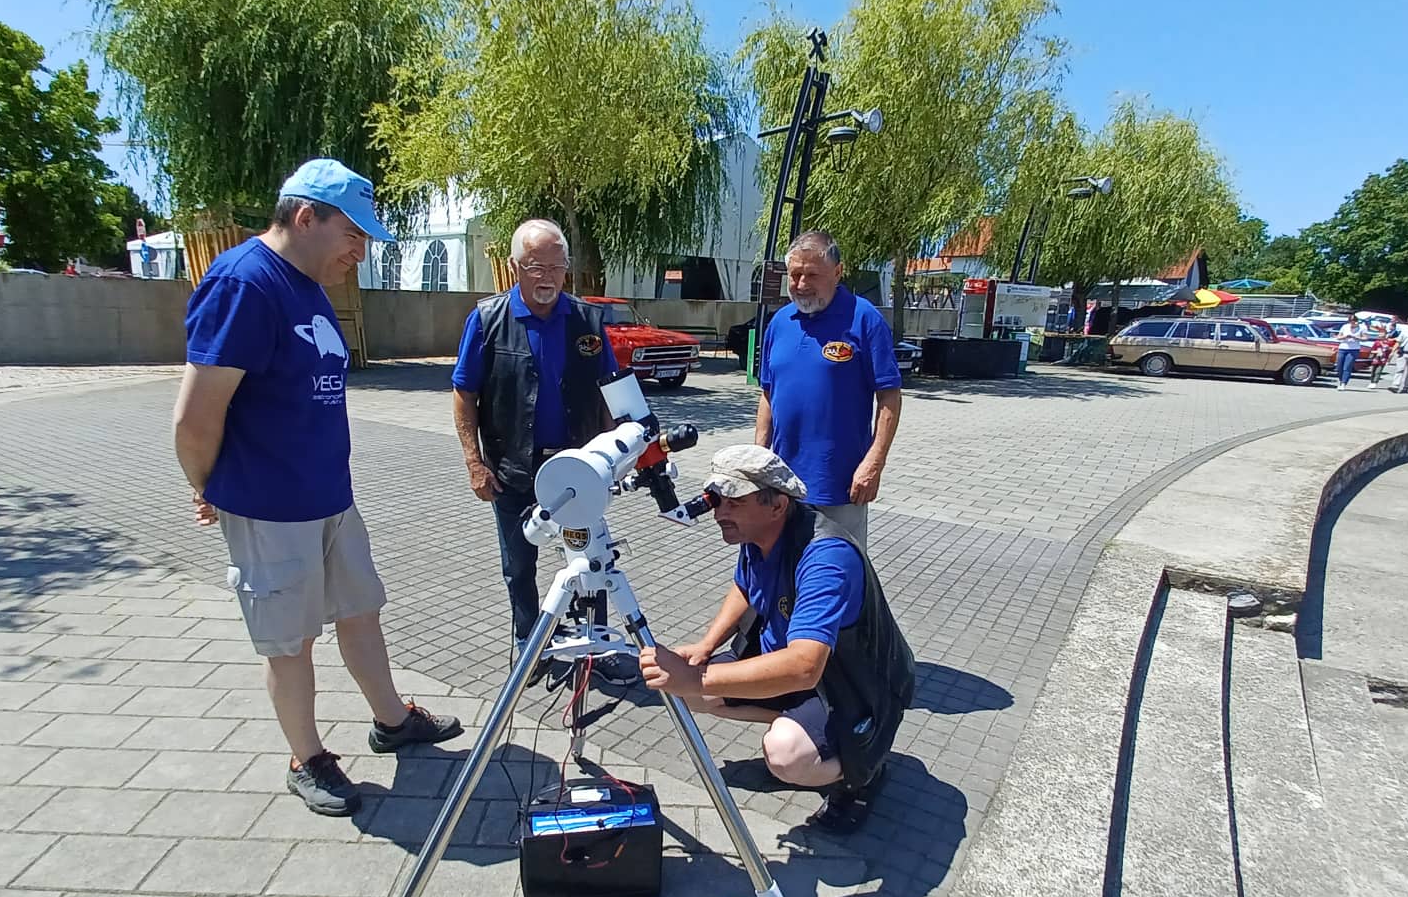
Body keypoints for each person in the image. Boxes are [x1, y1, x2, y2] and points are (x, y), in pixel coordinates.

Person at [173, 158, 463, 818]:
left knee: (361, 610)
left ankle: (392, 721)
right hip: (270, 506)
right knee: (289, 641)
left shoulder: (305, 283)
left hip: (329, 496)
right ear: (306, 217)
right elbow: (194, 417)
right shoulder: (245, 284)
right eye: (352, 235)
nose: (359, 252)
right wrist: (206, 485)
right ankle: (306, 759)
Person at [640, 445, 914, 833]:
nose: (719, 513)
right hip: (798, 668)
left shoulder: (826, 557)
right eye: (717, 501)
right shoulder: (758, 534)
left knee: (784, 755)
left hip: (853, 685)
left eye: (734, 502)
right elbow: (745, 587)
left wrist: (696, 677)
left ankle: (861, 770)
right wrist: (705, 648)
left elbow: (803, 668)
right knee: (689, 693)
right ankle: (810, 736)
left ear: (777, 505)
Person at [450, 219, 638, 691]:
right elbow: (465, 393)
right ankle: (529, 644)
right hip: (513, 470)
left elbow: (611, 390)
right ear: (515, 266)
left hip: (578, 470)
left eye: (557, 266)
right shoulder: (488, 319)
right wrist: (474, 462)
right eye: (537, 266)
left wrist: (621, 453)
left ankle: (594, 647)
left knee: (591, 561)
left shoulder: (588, 321)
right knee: (519, 566)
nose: (548, 276)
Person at [754, 231, 902, 549]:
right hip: (780, 482)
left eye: (812, 275)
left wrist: (874, 463)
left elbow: (889, 396)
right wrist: (759, 457)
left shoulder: (864, 319)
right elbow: (767, 394)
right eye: (795, 274)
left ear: (837, 272)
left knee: (837, 571)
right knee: (782, 570)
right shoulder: (779, 323)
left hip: (839, 484)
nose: (801, 284)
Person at [1333, 316, 1364, 388]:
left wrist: (1355, 337)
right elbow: (1338, 337)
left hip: (1354, 349)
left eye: (1354, 322)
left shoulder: (1362, 328)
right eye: (1351, 322)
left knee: (1347, 367)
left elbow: (1365, 338)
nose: (1353, 323)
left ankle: (1344, 383)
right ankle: (1341, 380)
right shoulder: (1345, 326)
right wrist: (1345, 337)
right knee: (1339, 366)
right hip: (1343, 348)